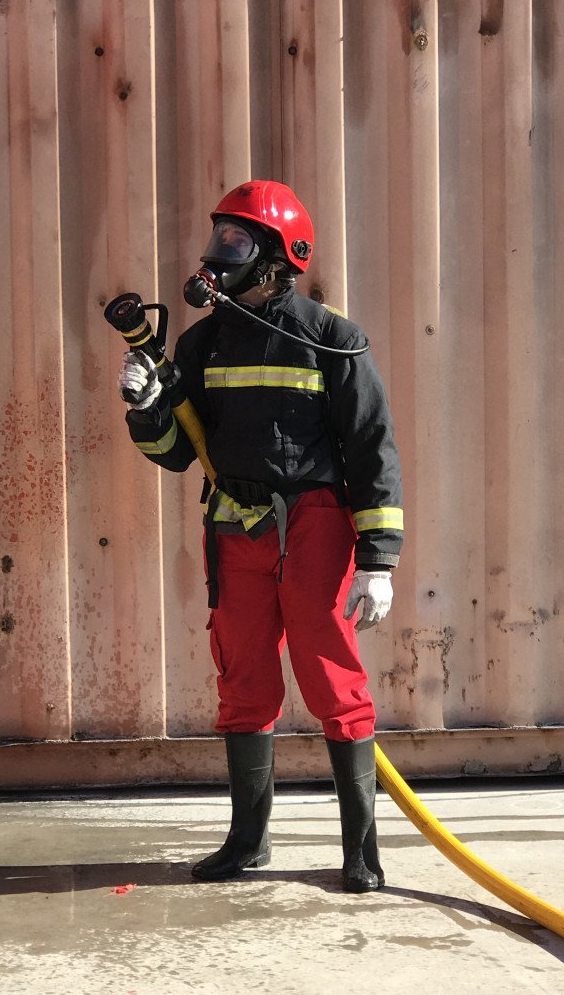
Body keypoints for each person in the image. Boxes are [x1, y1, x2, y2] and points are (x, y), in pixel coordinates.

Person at [117, 179, 403, 893]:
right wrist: (147, 410)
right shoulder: (201, 341)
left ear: (279, 257)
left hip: (314, 525)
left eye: (237, 242)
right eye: (219, 238)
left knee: (333, 680)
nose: (218, 255)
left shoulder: (333, 338)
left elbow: (373, 446)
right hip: (235, 525)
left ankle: (361, 851)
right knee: (242, 678)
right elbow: (178, 454)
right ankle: (248, 841)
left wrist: (378, 559)